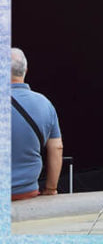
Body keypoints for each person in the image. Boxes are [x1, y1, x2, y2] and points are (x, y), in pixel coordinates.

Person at [11, 47, 63, 201]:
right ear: (25, 71)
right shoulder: (45, 104)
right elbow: (56, 148)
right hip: (27, 193)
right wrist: (51, 188)